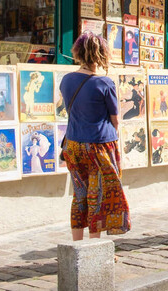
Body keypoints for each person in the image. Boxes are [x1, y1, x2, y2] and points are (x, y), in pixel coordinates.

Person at [59, 32, 130, 240]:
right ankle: (94, 247)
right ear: (102, 54)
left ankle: (77, 243)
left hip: (73, 144)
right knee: (97, 196)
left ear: (78, 52)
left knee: (79, 195)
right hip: (99, 145)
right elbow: (115, 120)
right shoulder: (104, 83)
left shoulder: (67, 80)